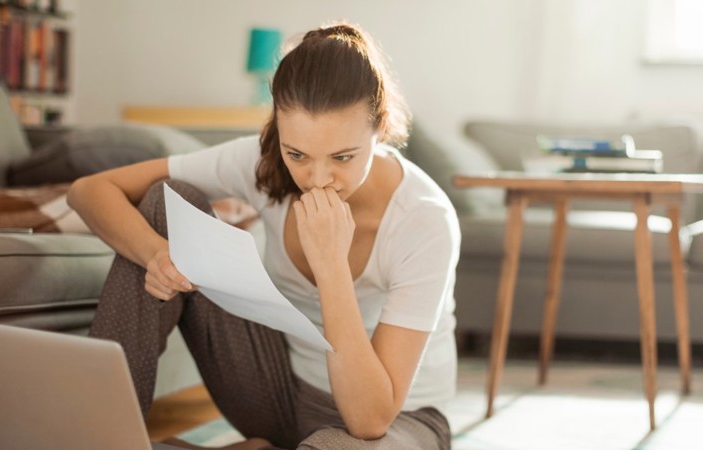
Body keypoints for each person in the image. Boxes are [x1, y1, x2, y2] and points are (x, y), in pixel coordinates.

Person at [68, 21, 459, 450]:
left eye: (344, 156)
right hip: (280, 394)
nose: (318, 178)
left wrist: (331, 265)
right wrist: (155, 255)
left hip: (397, 421)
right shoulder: (261, 162)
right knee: (167, 200)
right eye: (298, 154)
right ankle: (101, 438)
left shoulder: (424, 220)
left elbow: (369, 420)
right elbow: (88, 191)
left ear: (379, 128)